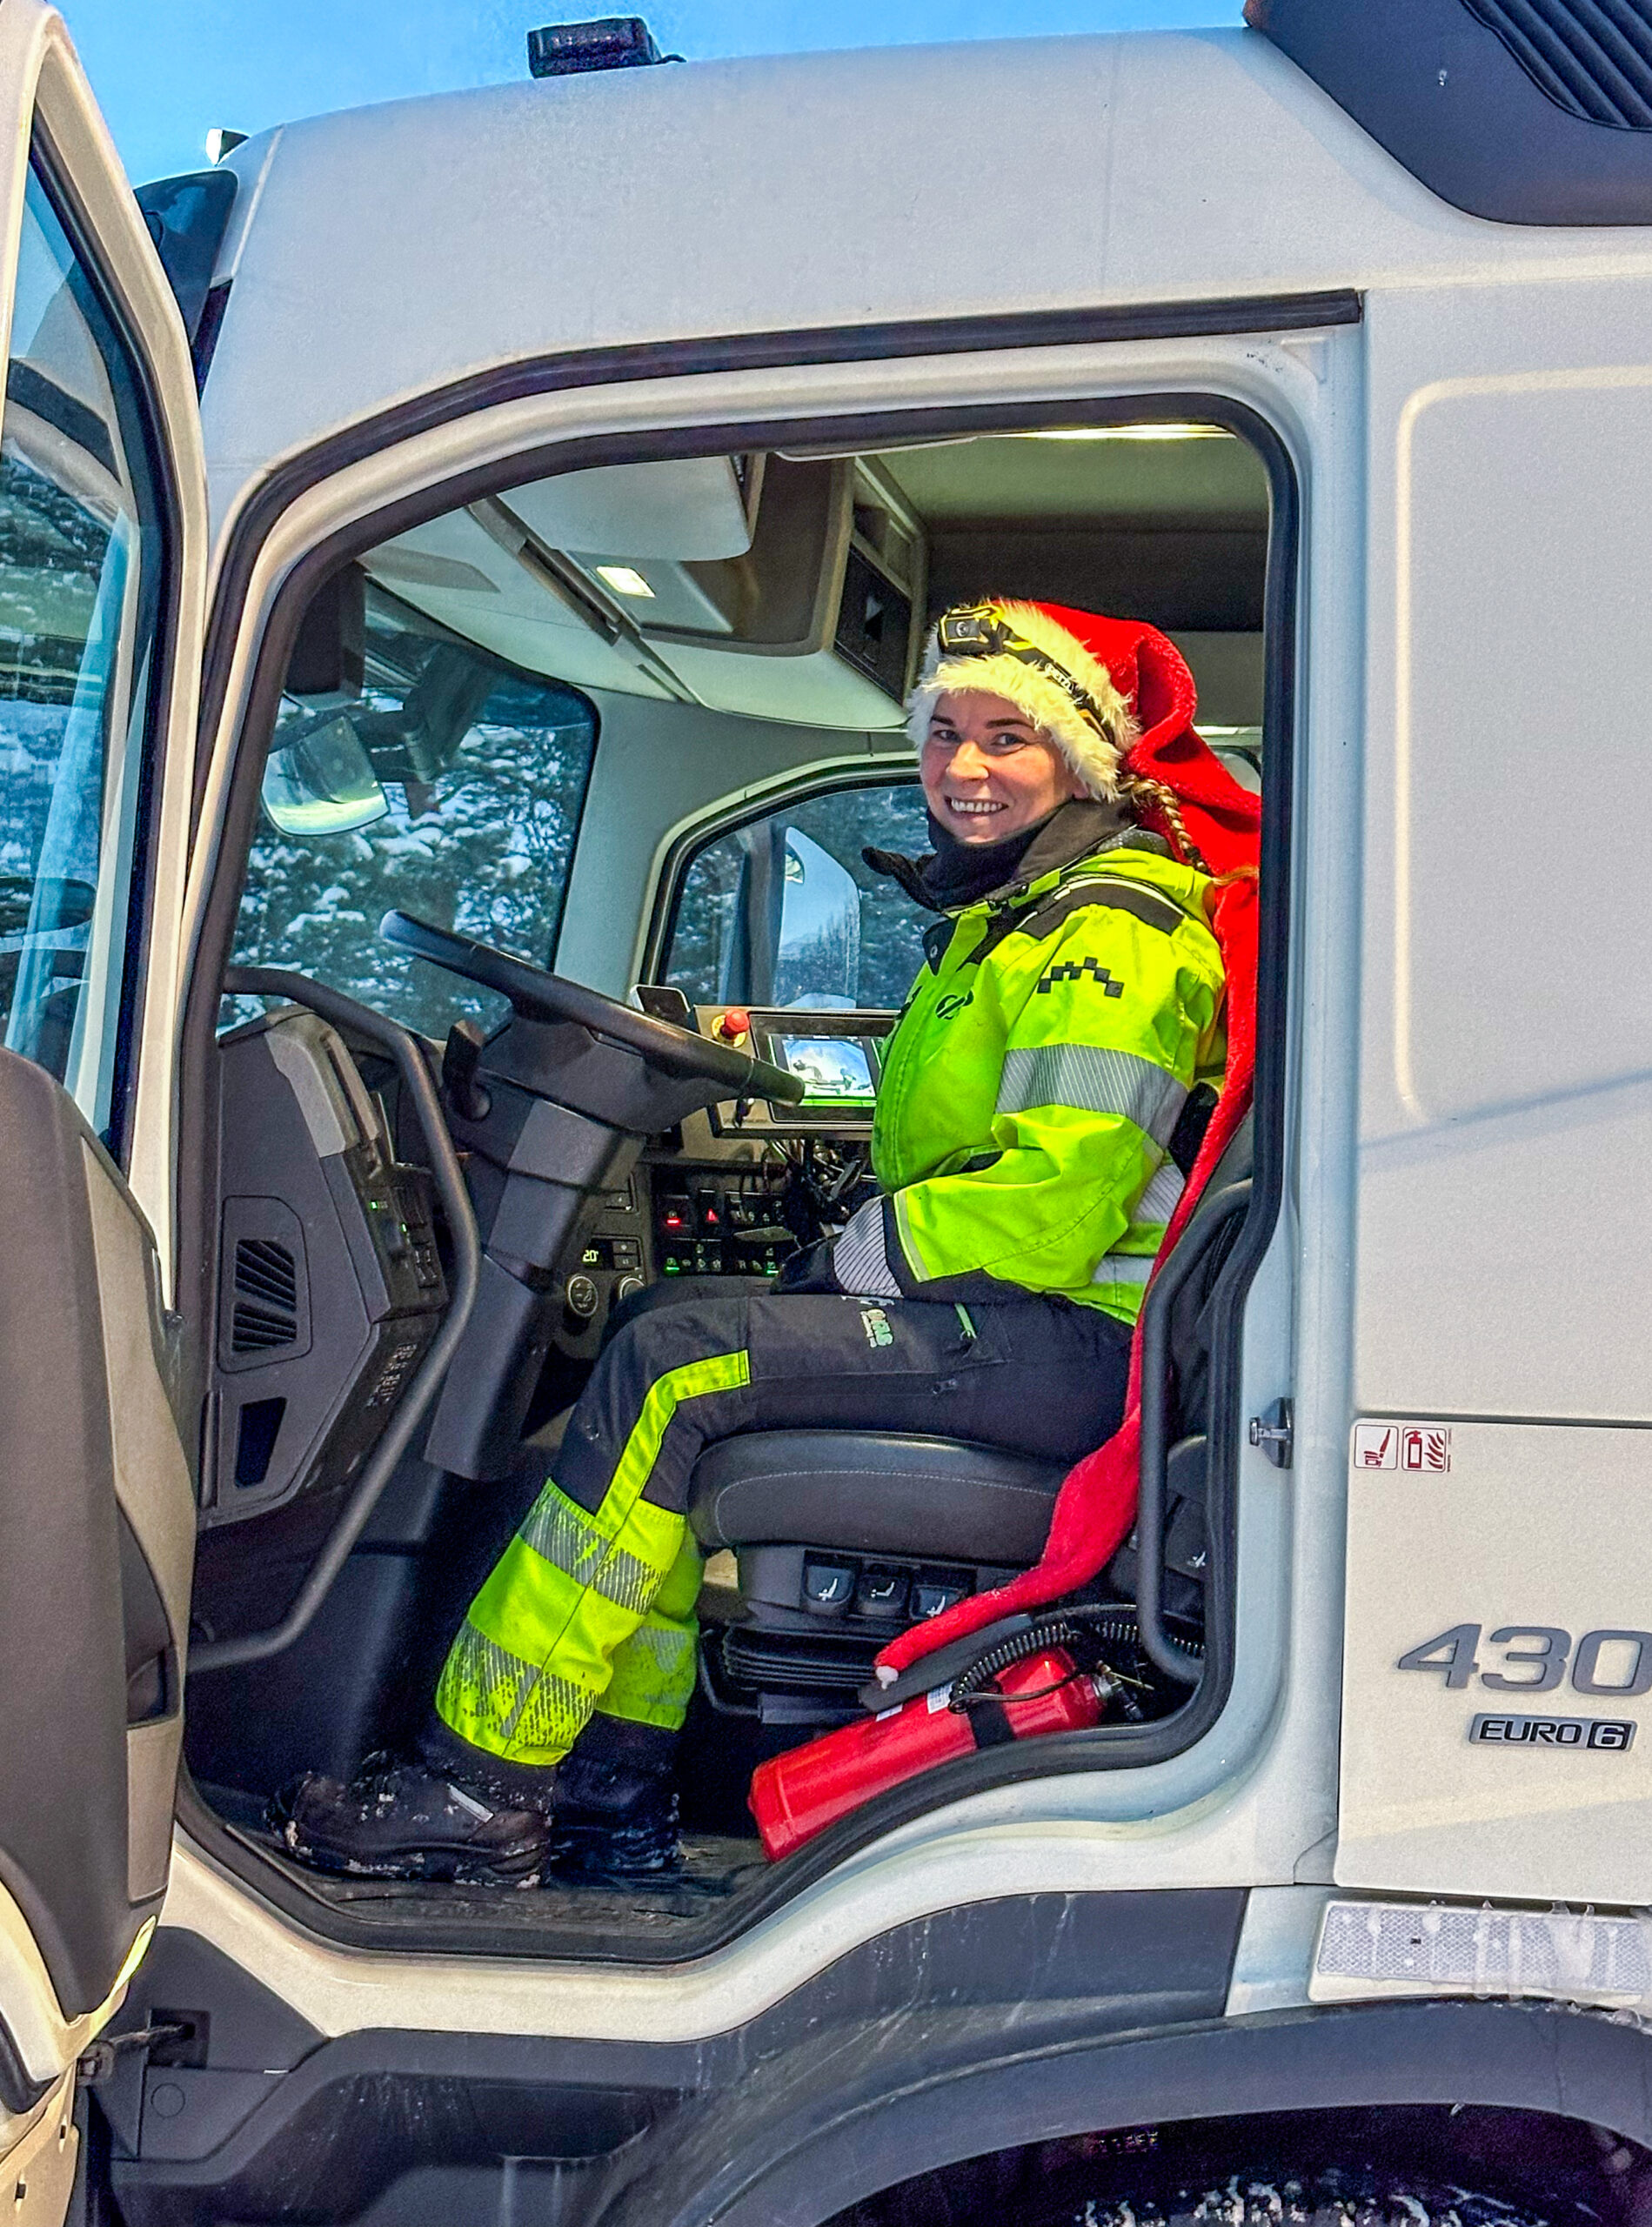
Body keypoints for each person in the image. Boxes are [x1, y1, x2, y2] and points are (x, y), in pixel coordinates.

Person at [275, 599, 1229, 1885]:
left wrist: (847, 1263)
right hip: (1016, 1317)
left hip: (1070, 1339)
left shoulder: (1106, 927)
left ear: (1080, 758)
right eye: (944, 732)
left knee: (671, 1367)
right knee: (645, 1334)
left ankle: (480, 1783)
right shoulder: (1022, 914)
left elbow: (1052, 1200)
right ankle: (610, 1796)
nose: (963, 768)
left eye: (1009, 737)